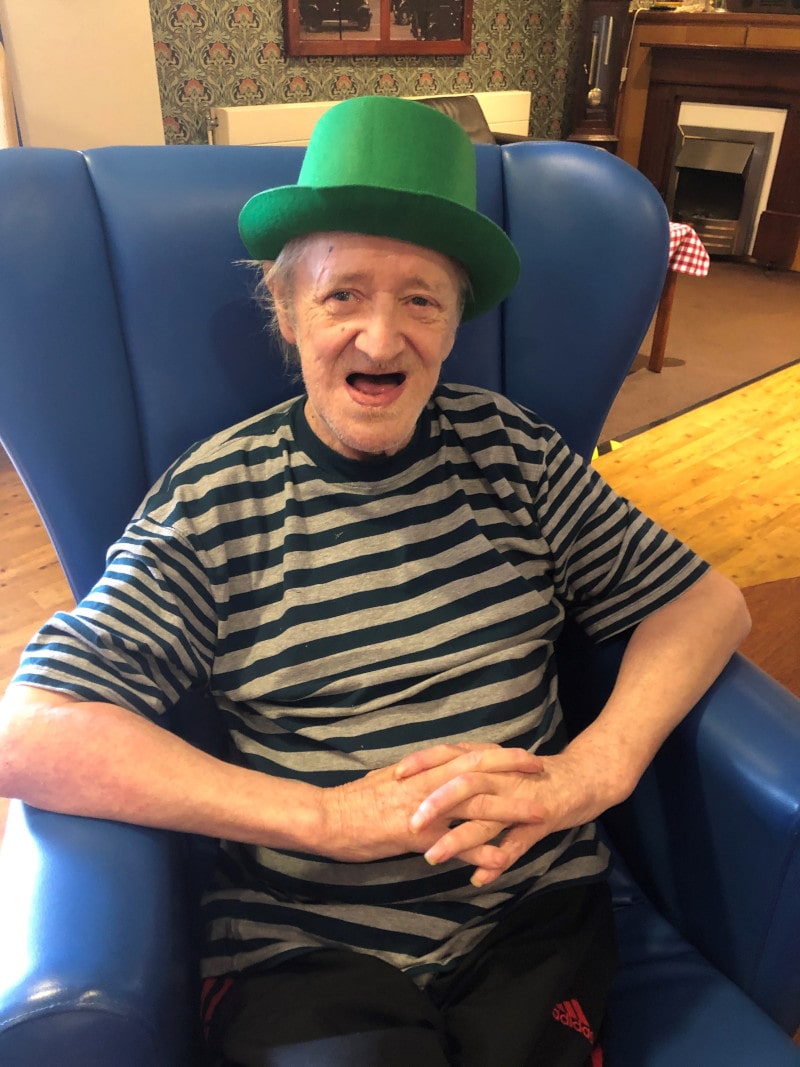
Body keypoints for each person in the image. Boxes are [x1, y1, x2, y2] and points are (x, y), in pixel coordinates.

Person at [0, 96, 749, 1066]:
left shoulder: (513, 453)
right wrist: (324, 816)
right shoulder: (216, 497)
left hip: (532, 917)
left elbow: (705, 602)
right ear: (285, 311)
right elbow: (31, 729)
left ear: (455, 321)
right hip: (301, 946)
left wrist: (591, 769)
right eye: (342, 294)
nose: (382, 339)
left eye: (420, 300)